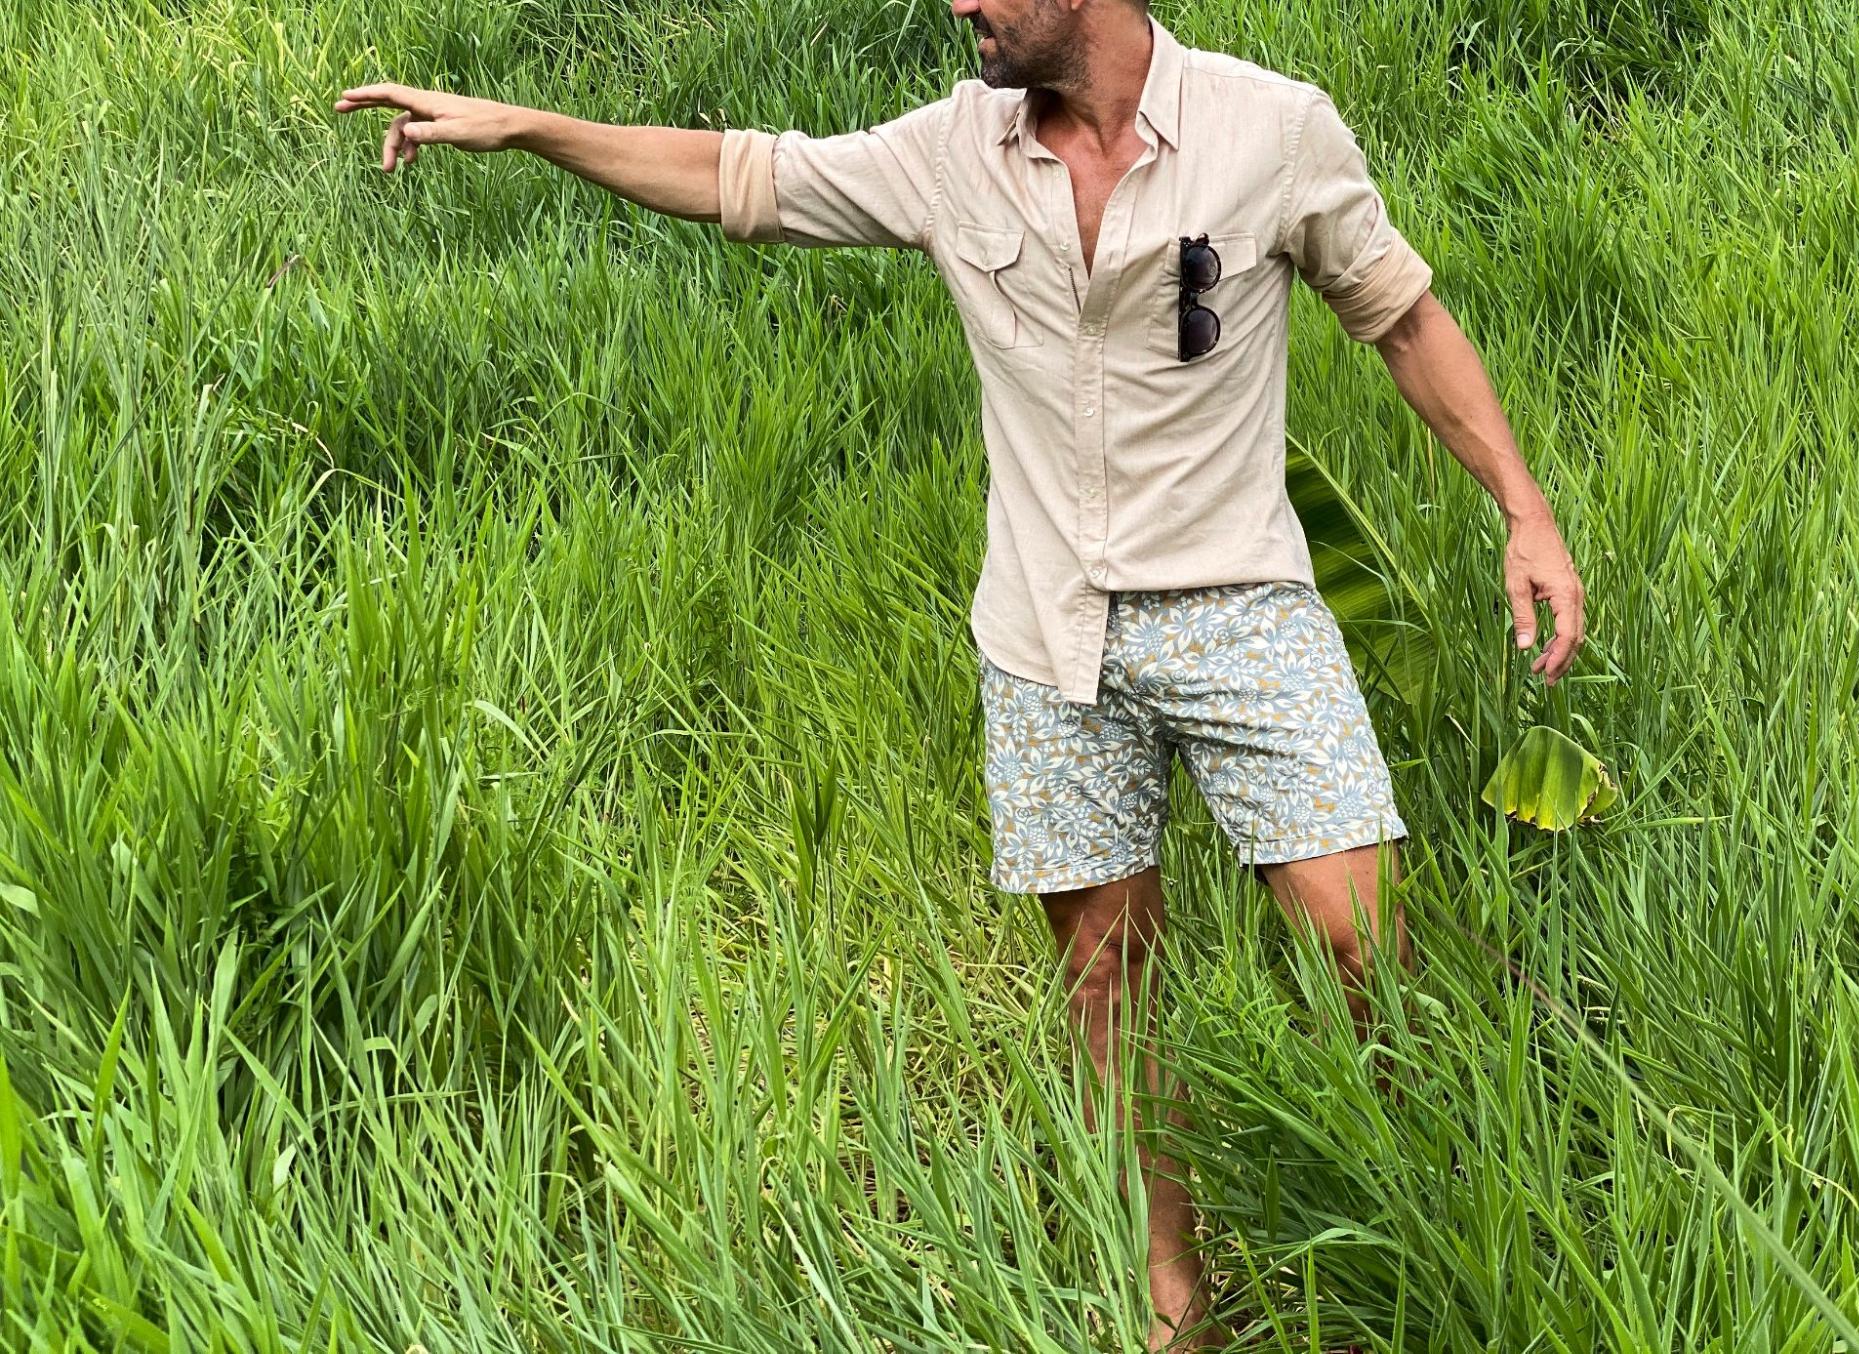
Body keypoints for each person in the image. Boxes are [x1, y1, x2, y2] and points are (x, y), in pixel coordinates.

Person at [336, 0, 1585, 1346]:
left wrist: (1523, 504)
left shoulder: (1270, 130)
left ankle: (1439, 1212)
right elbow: (741, 174)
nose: (960, 5)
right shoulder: (955, 150)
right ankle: (1176, 1301)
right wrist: (532, 128)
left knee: (1361, 937)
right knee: (1109, 978)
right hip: (1047, 638)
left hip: (1242, 607)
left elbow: (1400, 314)